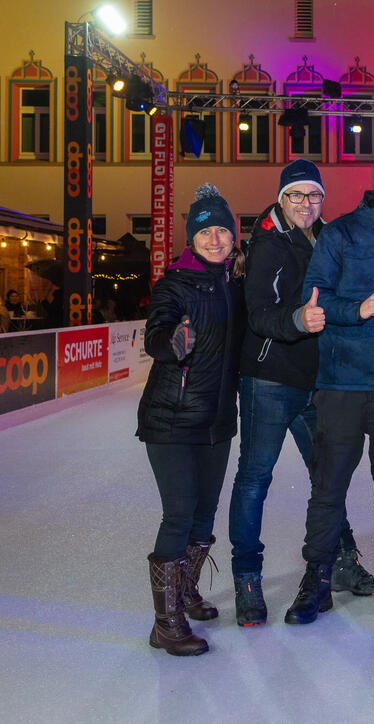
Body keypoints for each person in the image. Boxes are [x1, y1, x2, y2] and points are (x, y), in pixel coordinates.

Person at [229, 160, 374, 627]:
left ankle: (341, 560)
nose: (306, 205)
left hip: (317, 382)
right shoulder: (269, 244)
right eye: (296, 196)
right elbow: (259, 313)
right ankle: (247, 577)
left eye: (314, 196)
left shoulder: (326, 239)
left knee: (327, 478)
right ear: (281, 199)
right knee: (255, 478)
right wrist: (297, 320)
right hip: (270, 380)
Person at [284, 155, 374, 625]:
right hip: (342, 383)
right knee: (328, 488)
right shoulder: (342, 232)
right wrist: (359, 308)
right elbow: (316, 296)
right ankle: (318, 577)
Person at [137, 184, 245, 656]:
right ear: (191, 238)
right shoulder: (174, 284)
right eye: (207, 232)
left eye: (223, 230)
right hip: (172, 419)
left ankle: (184, 592)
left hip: (217, 420)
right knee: (179, 515)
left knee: (204, 517)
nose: (216, 239)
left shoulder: (234, 283)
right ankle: (165, 622)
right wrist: (171, 341)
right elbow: (156, 334)